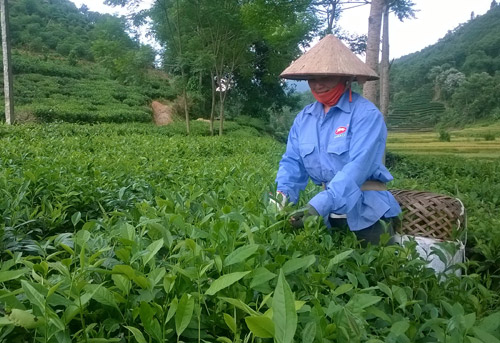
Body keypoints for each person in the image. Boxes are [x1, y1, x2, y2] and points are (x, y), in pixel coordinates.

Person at [274, 34, 401, 246]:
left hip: (368, 214)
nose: (318, 85)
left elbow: (358, 168)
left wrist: (319, 205)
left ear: (345, 78)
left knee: (376, 272)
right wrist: (282, 197)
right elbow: (292, 163)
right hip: (328, 217)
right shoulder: (304, 119)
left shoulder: (365, 115)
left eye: (327, 77)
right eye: (313, 78)